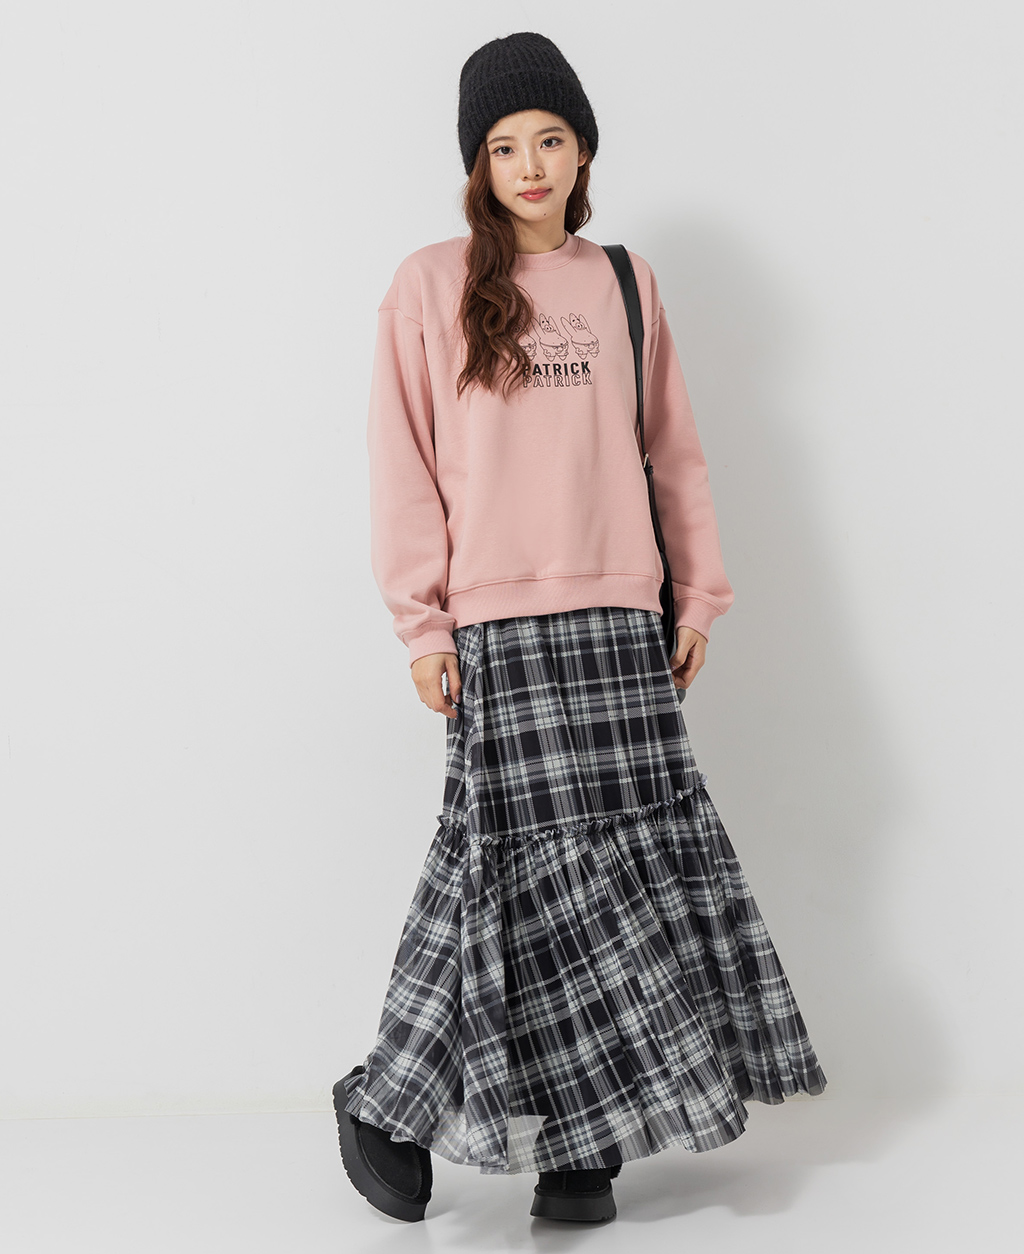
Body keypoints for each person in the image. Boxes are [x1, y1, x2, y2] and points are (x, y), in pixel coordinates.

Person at [332, 30, 827, 1226]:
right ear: (476, 163)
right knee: (505, 869)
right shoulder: (428, 284)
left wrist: (695, 595)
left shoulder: (624, 282)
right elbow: (402, 465)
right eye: (503, 146)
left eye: (549, 139)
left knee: (619, 880)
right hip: (496, 623)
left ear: (583, 149)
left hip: (619, 617)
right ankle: (388, 1102)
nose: (529, 165)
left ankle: (581, 1141)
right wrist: (422, 626)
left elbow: (674, 455)